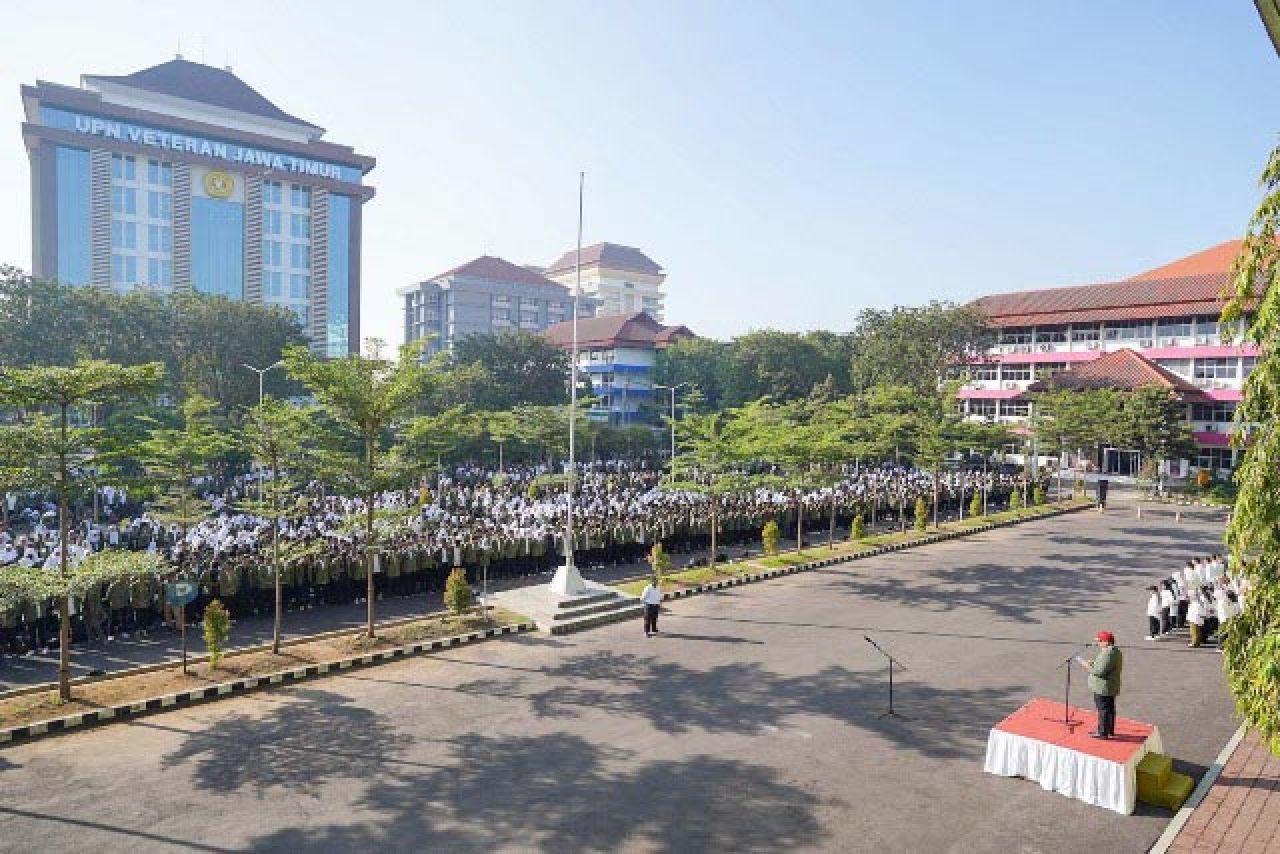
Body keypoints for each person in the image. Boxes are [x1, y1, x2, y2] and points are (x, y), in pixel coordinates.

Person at [1080, 630, 1122, 739]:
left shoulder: (1107, 654)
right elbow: (1107, 666)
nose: (1098, 643)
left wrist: (1086, 666)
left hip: (1103, 688)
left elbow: (1099, 672)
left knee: (1103, 709)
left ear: (1107, 642)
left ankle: (1102, 732)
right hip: (1111, 686)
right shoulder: (1115, 651)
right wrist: (1094, 662)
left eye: (1100, 641)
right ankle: (1110, 731)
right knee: (1110, 709)